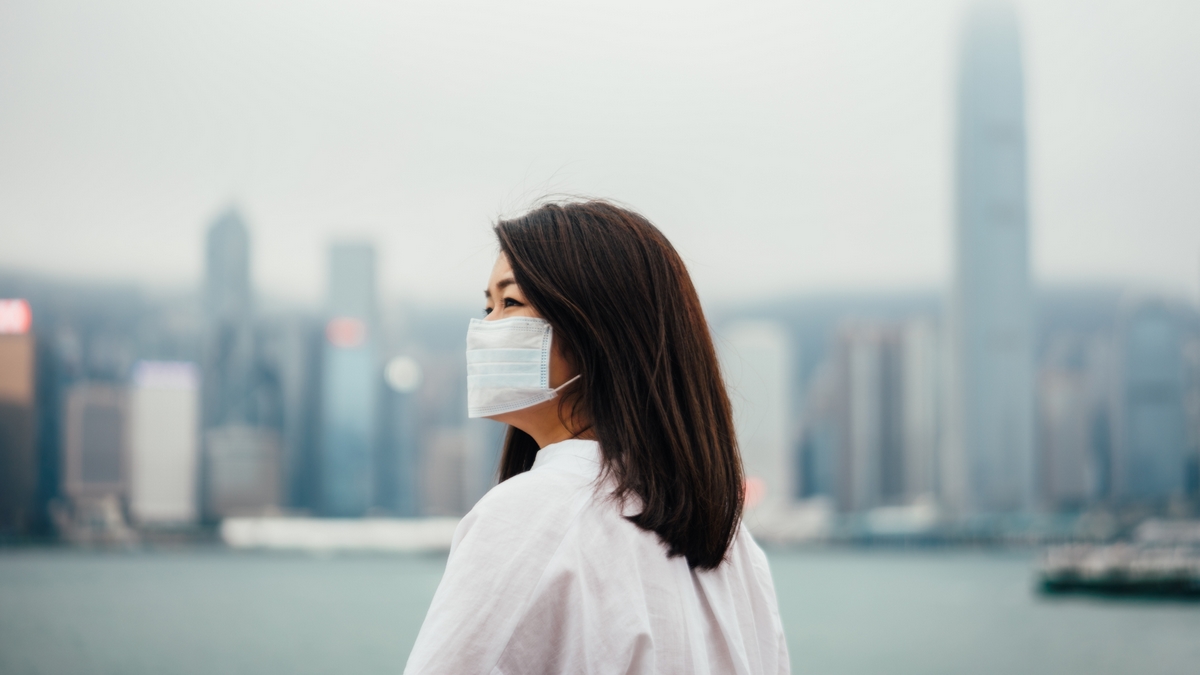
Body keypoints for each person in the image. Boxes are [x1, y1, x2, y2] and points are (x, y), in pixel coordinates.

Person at [404, 200, 789, 675]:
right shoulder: (733, 547)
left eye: (511, 303)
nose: (486, 328)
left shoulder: (527, 515)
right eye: (487, 306)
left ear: (596, 330)